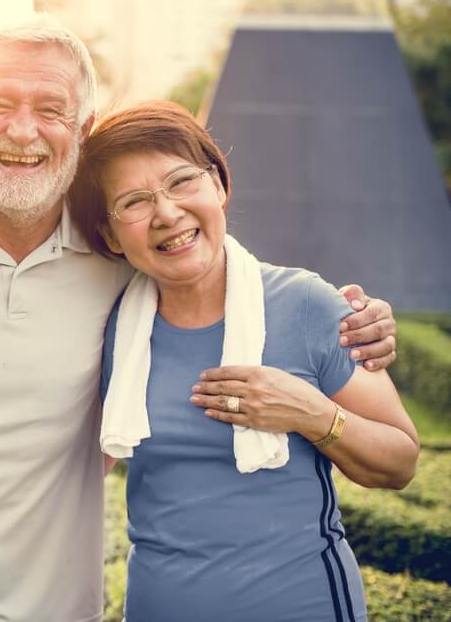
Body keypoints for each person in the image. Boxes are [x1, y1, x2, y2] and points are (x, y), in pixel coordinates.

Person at [0, 19, 398, 622]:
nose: (22, 130)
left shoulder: (115, 249)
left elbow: (207, 257)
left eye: (50, 109)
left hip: (61, 610)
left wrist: (353, 320)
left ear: (81, 130)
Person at [68, 100, 419, 622]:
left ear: (219, 185)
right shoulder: (112, 325)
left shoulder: (305, 303)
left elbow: (400, 462)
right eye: (135, 201)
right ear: (109, 236)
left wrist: (311, 413)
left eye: (182, 181)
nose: (166, 213)